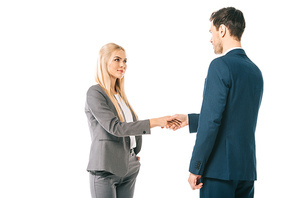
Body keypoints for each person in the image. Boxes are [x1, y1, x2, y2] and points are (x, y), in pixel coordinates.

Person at [167, 7, 264, 198]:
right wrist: (190, 119)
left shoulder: (220, 66)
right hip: (245, 171)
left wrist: (196, 166)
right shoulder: (255, 72)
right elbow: (235, 116)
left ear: (222, 30)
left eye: (211, 32)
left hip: (219, 171)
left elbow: (212, 122)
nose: (211, 39)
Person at [85, 43, 177, 198]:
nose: (123, 65)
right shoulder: (95, 93)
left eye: (125, 61)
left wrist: (132, 154)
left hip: (129, 167)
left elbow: (129, 128)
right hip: (105, 169)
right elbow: (116, 128)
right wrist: (156, 122)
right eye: (117, 59)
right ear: (104, 61)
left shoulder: (120, 96)